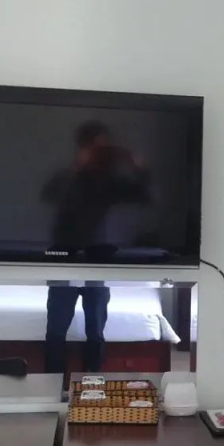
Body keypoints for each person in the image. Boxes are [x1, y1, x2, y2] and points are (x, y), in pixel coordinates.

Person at [42, 121, 151, 374]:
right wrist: (76, 168)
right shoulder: (67, 176)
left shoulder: (110, 181)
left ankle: (93, 386)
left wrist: (135, 164)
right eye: (93, 148)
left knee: (96, 331)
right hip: (63, 258)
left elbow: (144, 197)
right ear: (82, 147)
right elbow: (48, 195)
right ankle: (52, 387)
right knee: (56, 331)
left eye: (103, 149)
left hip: (99, 258)